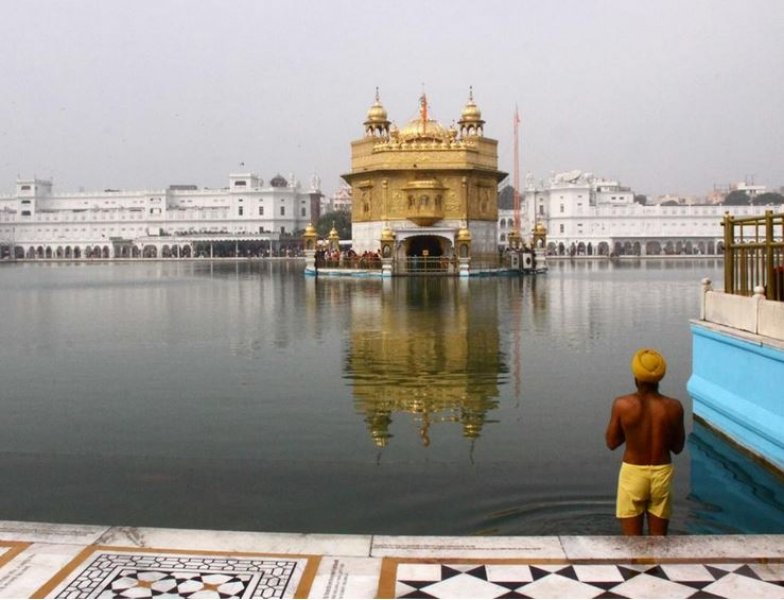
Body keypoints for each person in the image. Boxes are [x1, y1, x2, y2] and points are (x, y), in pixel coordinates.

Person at [605, 348, 685, 536]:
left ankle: (636, 565)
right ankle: (657, 566)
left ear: (636, 377)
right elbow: (678, 447)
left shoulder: (622, 405)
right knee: (659, 544)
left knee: (633, 545)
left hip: (633, 473)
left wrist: (633, 431)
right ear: (659, 378)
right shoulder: (674, 407)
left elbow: (611, 442)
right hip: (661, 473)